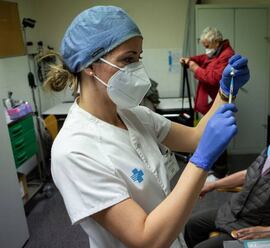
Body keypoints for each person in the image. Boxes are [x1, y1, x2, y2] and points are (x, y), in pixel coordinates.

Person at [42, 6, 249, 248]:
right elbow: (146, 239)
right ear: (89, 65)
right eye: (127, 59)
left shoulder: (133, 115)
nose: (137, 69)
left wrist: (225, 91)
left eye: (138, 58)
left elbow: (194, 137)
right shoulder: (74, 150)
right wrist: (200, 162)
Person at [184, 113, 270, 248]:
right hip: (235, 212)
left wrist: (263, 232)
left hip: (256, 227)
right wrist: (213, 185)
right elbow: (249, 174)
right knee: (192, 225)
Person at [180, 27, 234, 181]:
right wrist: (190, 59)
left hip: (217, 103)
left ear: (216, 42)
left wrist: (194, 68)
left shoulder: (226, 56)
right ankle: (215, 167)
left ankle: (221, 173)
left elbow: (212, 78)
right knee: (210, 134)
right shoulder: (215, 53)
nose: (206, 49)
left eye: (207, 45)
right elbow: (203, 58)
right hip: (210, 104)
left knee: (218, 134)